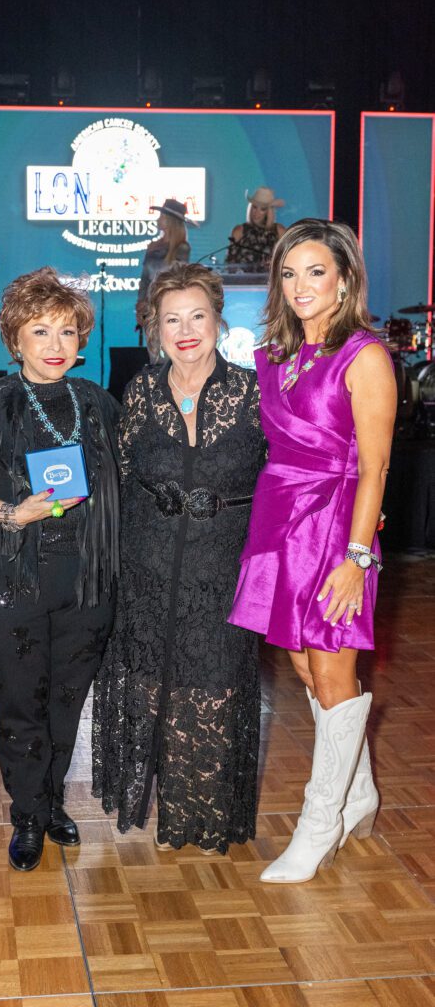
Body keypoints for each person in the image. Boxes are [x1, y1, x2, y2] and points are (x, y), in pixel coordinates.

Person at [229, 218, 397, 883]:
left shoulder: (365, 357)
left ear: (343, 280)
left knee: (332, 673)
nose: (299, 285)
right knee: (303, 669)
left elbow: (377, 467)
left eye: (315, 271)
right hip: (276, 521)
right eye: (289, 273)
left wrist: (357, 559)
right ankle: (358, 795)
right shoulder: (272, 356)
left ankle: (318, 821)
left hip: (333, 525)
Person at [0, 267, 120, 872]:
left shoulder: (97, 403)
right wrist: (13, 513)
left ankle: (49, 804)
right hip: (10, 581)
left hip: (86, 582)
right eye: (39, 331)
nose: (54, 345)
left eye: (67, 332)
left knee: (68, 702)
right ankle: (25, 815)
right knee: (21, 703)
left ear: (81, 339)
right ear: (13, 338)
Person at [93, 261, 266, 854]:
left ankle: (203, 809)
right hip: (148, 561)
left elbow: (283, 476)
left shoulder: (252, 390)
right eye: (172, 319)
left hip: (223, 565)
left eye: (197, 315)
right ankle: (155, 800)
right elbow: (118, 473)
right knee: (150, 681)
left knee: (213, 681)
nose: (186, 329)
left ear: (219, 320)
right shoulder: (141, 389)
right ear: (155, 328)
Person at [135, 198, 196, 335]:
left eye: (162, 216)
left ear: (170, 221)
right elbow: (145, 278)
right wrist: (140, 303)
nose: (159, 219)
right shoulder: (153, 246)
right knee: (153, 349)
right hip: (149, 308)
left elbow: (176, 279)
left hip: (170, 307)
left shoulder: (181, 248)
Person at [226, 187, 285, 270]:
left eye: (262, 209)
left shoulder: (279, 231)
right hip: (242, 282)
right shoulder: (239, 231)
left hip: (270, 281)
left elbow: (288, 261)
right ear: (250, 207)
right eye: (254, 207)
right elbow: (230, 265)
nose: (256, 212)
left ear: (269, 212)